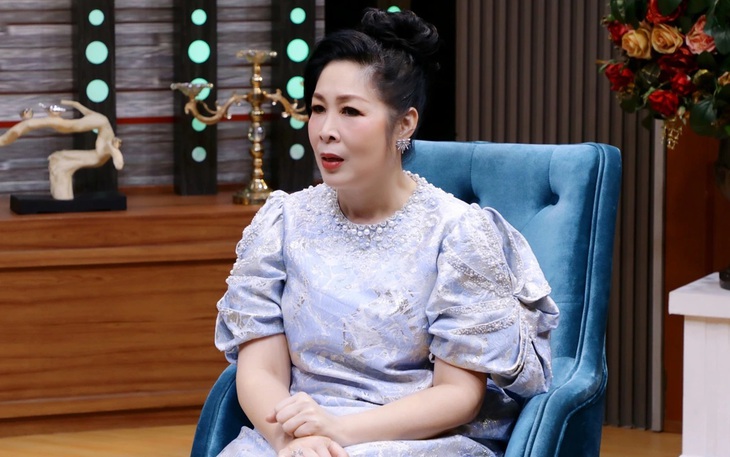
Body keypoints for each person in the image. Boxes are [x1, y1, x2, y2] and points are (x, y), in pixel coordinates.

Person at [214, 8, 559, 457]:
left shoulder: (457, 233)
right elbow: (260, 371)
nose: (326, 131)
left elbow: (459, 394)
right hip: (295, 435)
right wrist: (292, 441)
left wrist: (339, 431)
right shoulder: (281, 222)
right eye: (318, 109)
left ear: (404, 124)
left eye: (350, 111)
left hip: (414, 439)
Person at [0, 100, 123, 200]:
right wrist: (71, 103)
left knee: (60, 160)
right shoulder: (100, 120)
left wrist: (114, 152)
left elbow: (76, 121)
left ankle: (63, 198)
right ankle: (63, 198)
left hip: (100, 152)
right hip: (100, 147)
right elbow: (83, 110)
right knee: (59, 158)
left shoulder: (101, 129)